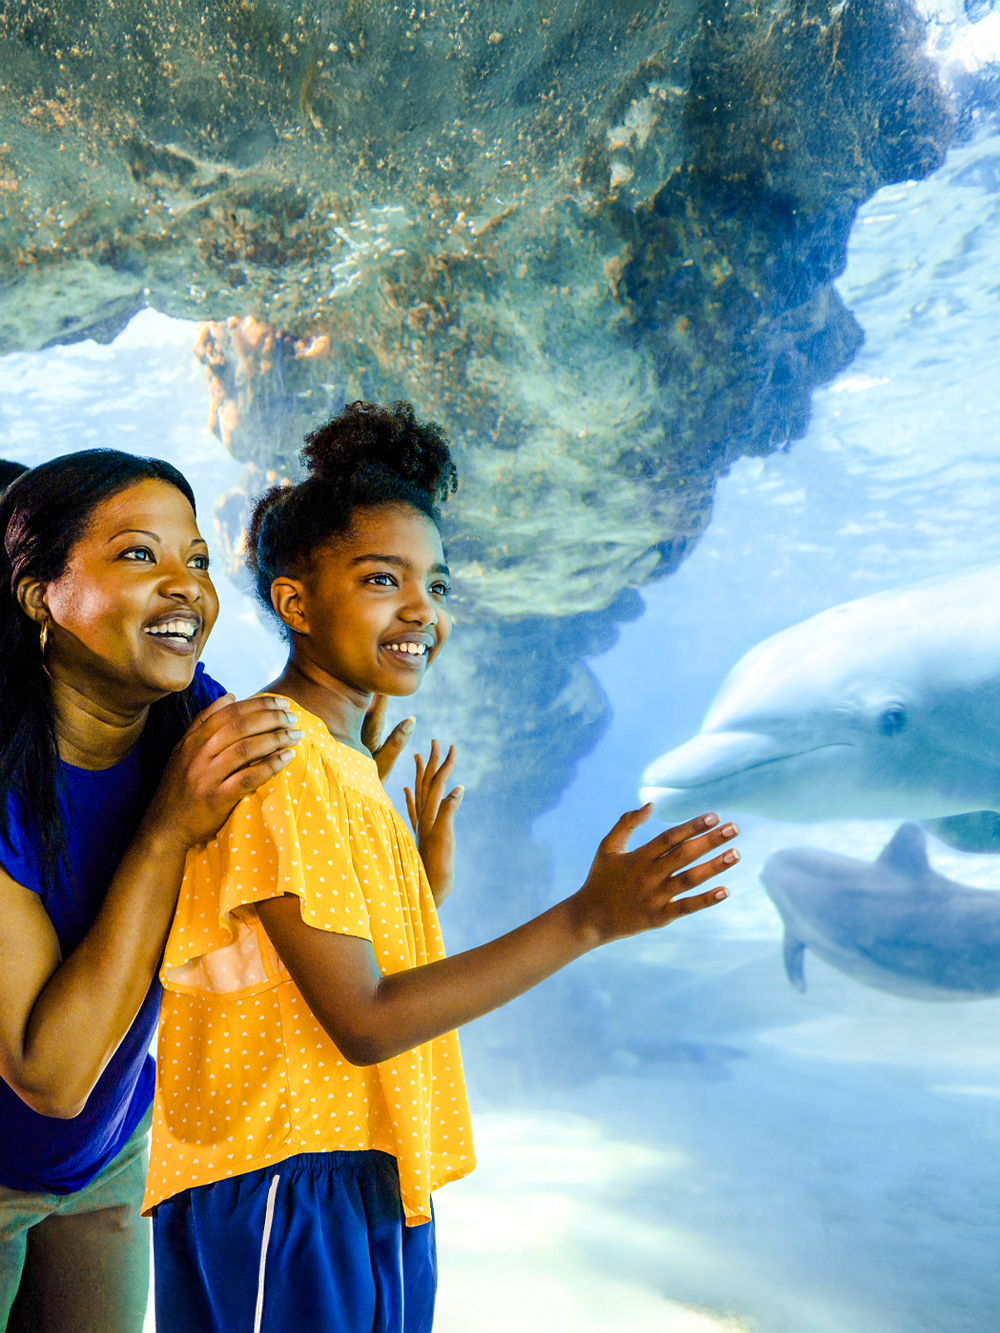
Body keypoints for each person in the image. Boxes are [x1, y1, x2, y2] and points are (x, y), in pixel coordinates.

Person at [145, 401, 739, 1333]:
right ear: (296, 603)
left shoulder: (339, 760)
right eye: (383, 578)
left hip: (358, 1166)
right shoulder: (279, 756)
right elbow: (365, 1021)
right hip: (286, 1178)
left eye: (437, 582)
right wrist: (587, 917)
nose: (423, 609)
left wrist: (416, 891)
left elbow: (314, 971)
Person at [0, 450, 308, 1333]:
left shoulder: (192, 715)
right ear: (39, 596)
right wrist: (168, 827)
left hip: (107, 1156)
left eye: (197, 558)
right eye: (140, 554)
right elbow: (50, 1075)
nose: (186, 586)